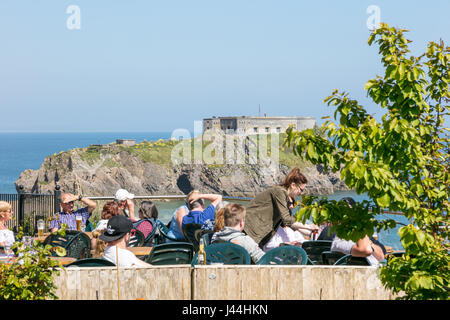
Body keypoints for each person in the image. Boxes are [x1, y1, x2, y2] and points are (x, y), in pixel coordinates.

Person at [243, 167, 318, 248]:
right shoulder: (279, 192)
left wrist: (309, 232)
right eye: (301, 190)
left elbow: (290, 222)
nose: (301, 193)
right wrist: (309, 226)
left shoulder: (286, 198)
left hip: (260, 234)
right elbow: (287, 219)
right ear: (293, 185)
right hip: (251, 229)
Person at [329, 197, 385, 266]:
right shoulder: (339, 242)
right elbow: (366, 250)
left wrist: (370, 244)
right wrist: (360, 224)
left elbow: (381, 256)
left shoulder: (360, 238)